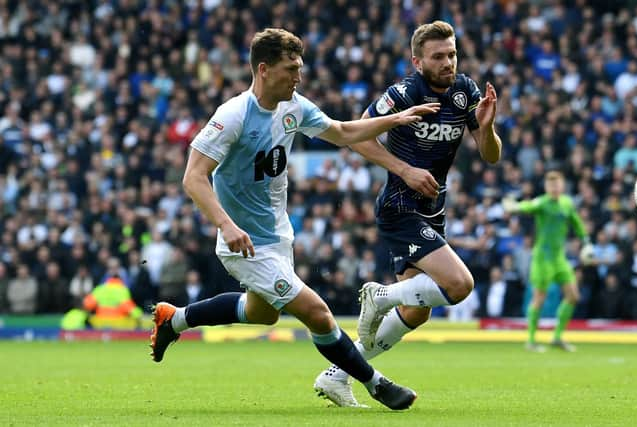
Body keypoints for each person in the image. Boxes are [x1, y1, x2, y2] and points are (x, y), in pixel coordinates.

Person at [149, 28, 440, 410]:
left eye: (300, 68)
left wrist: (396, 120)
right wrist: (226, 225)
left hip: (277, 235)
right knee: (317, 313)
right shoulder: (233, 115)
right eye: (291, 69)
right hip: (244, 243)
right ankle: (375, 383)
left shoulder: (294, 106)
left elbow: (340, 132)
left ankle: (175, 319)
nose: (298, 76)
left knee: (261, 313)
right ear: (264, 69)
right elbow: (193, 177)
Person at [314, 20, 502, 405]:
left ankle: (336, 375)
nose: (448, 62)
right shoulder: (403, 93)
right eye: (438, 56)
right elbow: (357, 134)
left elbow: (491, 156)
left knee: (416, 313)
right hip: (400, 206)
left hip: (433, 210)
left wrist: (487, 129)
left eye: (452, 53)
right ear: (418, 62)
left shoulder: (465, 91)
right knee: (460, 285)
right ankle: (379, 297)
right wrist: (404, 169)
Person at [502, 170, 593, 352]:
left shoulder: (567, 203)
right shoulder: (542, 203)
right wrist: (515, 207)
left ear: (562, 186)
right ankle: (531, 340)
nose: (554, 188)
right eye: (551, 185)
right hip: (542, 257)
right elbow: (527, 206)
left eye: (557, 184)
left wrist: (586, 242)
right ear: (546, 187)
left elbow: (576, 223)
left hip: (559, 257)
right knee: (539, 298)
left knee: (573, 296)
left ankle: (557, 337)